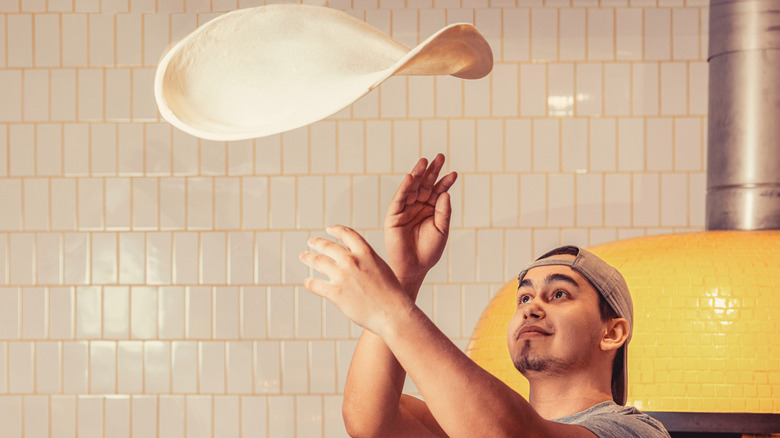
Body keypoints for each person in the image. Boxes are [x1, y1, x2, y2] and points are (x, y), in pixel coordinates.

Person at [299, 154, 670, 438]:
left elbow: (510, 434)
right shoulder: (474, 420)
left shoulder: (636, 431)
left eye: (559, 294)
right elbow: (369, 419)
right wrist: (404, 276)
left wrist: (388, 308)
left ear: (613, 332)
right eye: (523, 299)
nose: (532, 308)